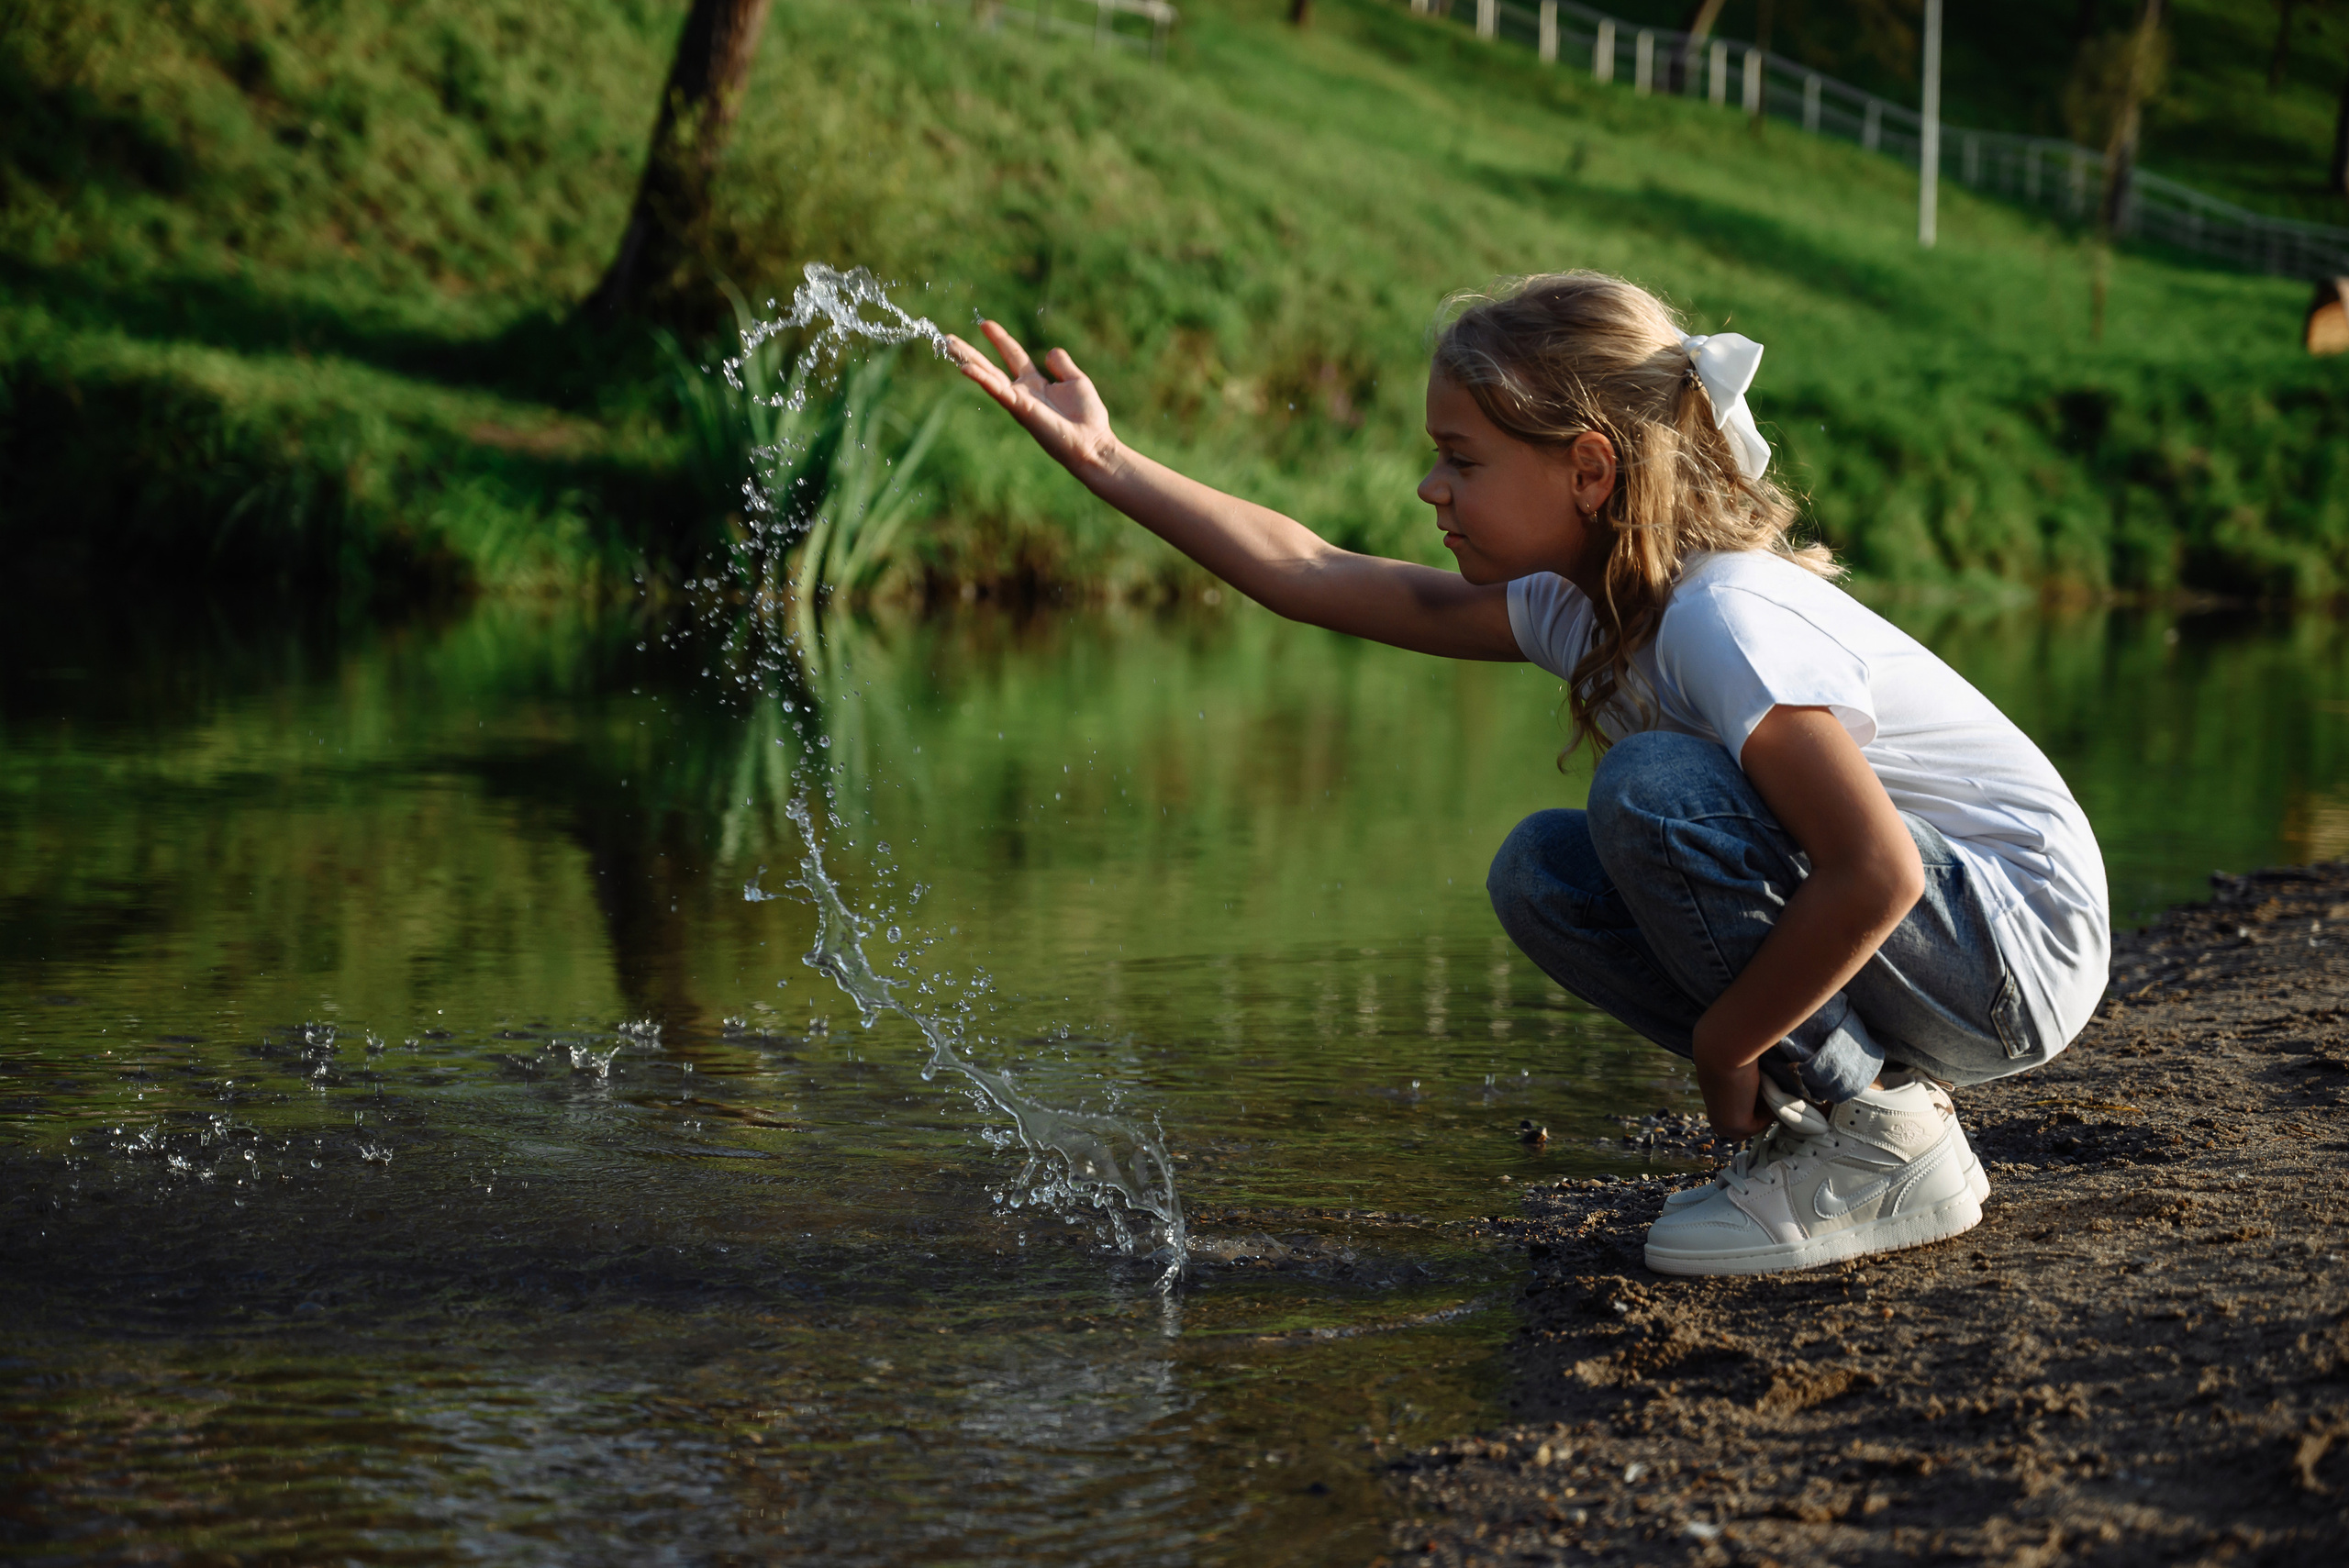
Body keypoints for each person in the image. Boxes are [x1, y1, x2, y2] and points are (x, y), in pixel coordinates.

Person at [945, 272, 2108, 1276]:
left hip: (2014, 940)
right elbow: (1321, 572)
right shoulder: (1584, 606)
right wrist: (1107, 462)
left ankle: (1876, 1133)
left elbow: (1876, 868)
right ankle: (1844, 1121)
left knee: (1649, 789)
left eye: (1461, 459)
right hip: (1948, 942)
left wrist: (1726, 1045)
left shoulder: (1720, 613)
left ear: (1589, 469)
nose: (1429, 490)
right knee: (1544, 873)